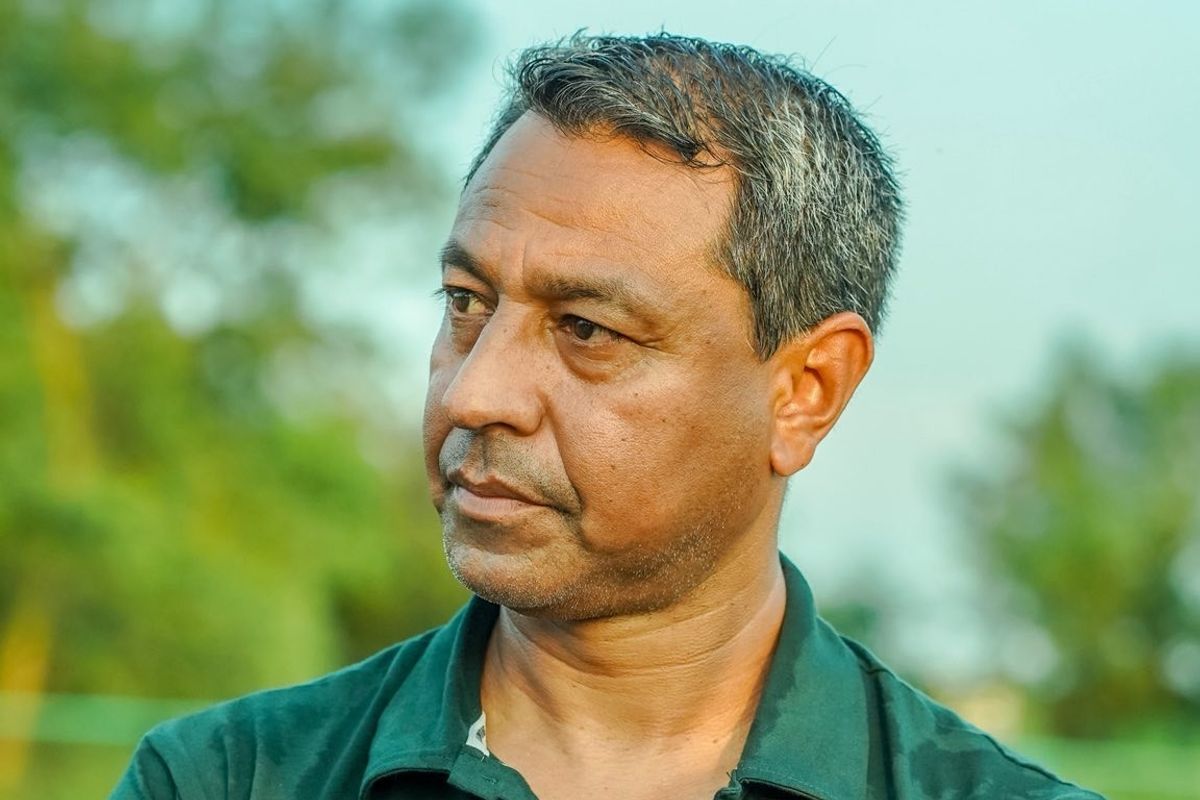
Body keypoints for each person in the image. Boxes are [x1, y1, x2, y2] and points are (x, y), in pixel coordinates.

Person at [112, 33, 1103, 800]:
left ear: (806, 390)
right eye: (466, 302)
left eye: (586, 329)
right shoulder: (223, 777)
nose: (473, 394)